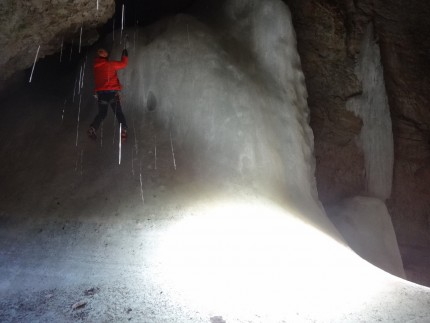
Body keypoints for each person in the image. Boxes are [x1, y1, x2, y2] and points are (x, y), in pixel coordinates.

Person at [88, 47, 129, 141]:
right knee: (118, 112)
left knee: (102, 113)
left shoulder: (96, 67)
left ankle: (92, 128)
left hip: (101, 94)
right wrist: (125, 55)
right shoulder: (110, 64)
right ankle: (124, 130)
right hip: (112, 93)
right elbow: (123, 64)